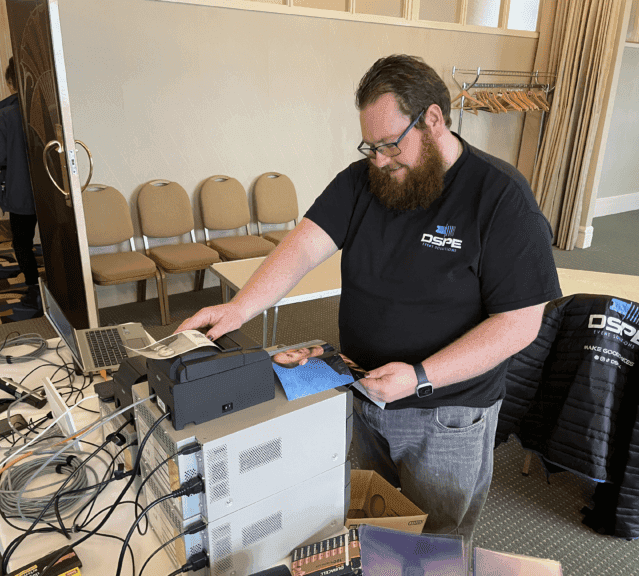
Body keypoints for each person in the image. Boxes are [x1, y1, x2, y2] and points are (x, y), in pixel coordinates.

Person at [177, 54, 562, 543]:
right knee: (377, 527)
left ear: (433, 119)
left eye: (388, 145)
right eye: (369, 146)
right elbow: (301, 248)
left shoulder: (501, 197)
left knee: (436, 543)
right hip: (367, 394)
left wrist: (421, 378)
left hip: (447, 414)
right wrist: (240, 307)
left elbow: (518, 325)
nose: (378, 159)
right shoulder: (364, 180)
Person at [0, 57, 40, 311]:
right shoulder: (48, 109)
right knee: (56, 240)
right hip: (54, 189)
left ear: (9, 82)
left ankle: (33, 288)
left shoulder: (3, 117)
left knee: (22, 241)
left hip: (20, 188)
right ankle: (63, 289)